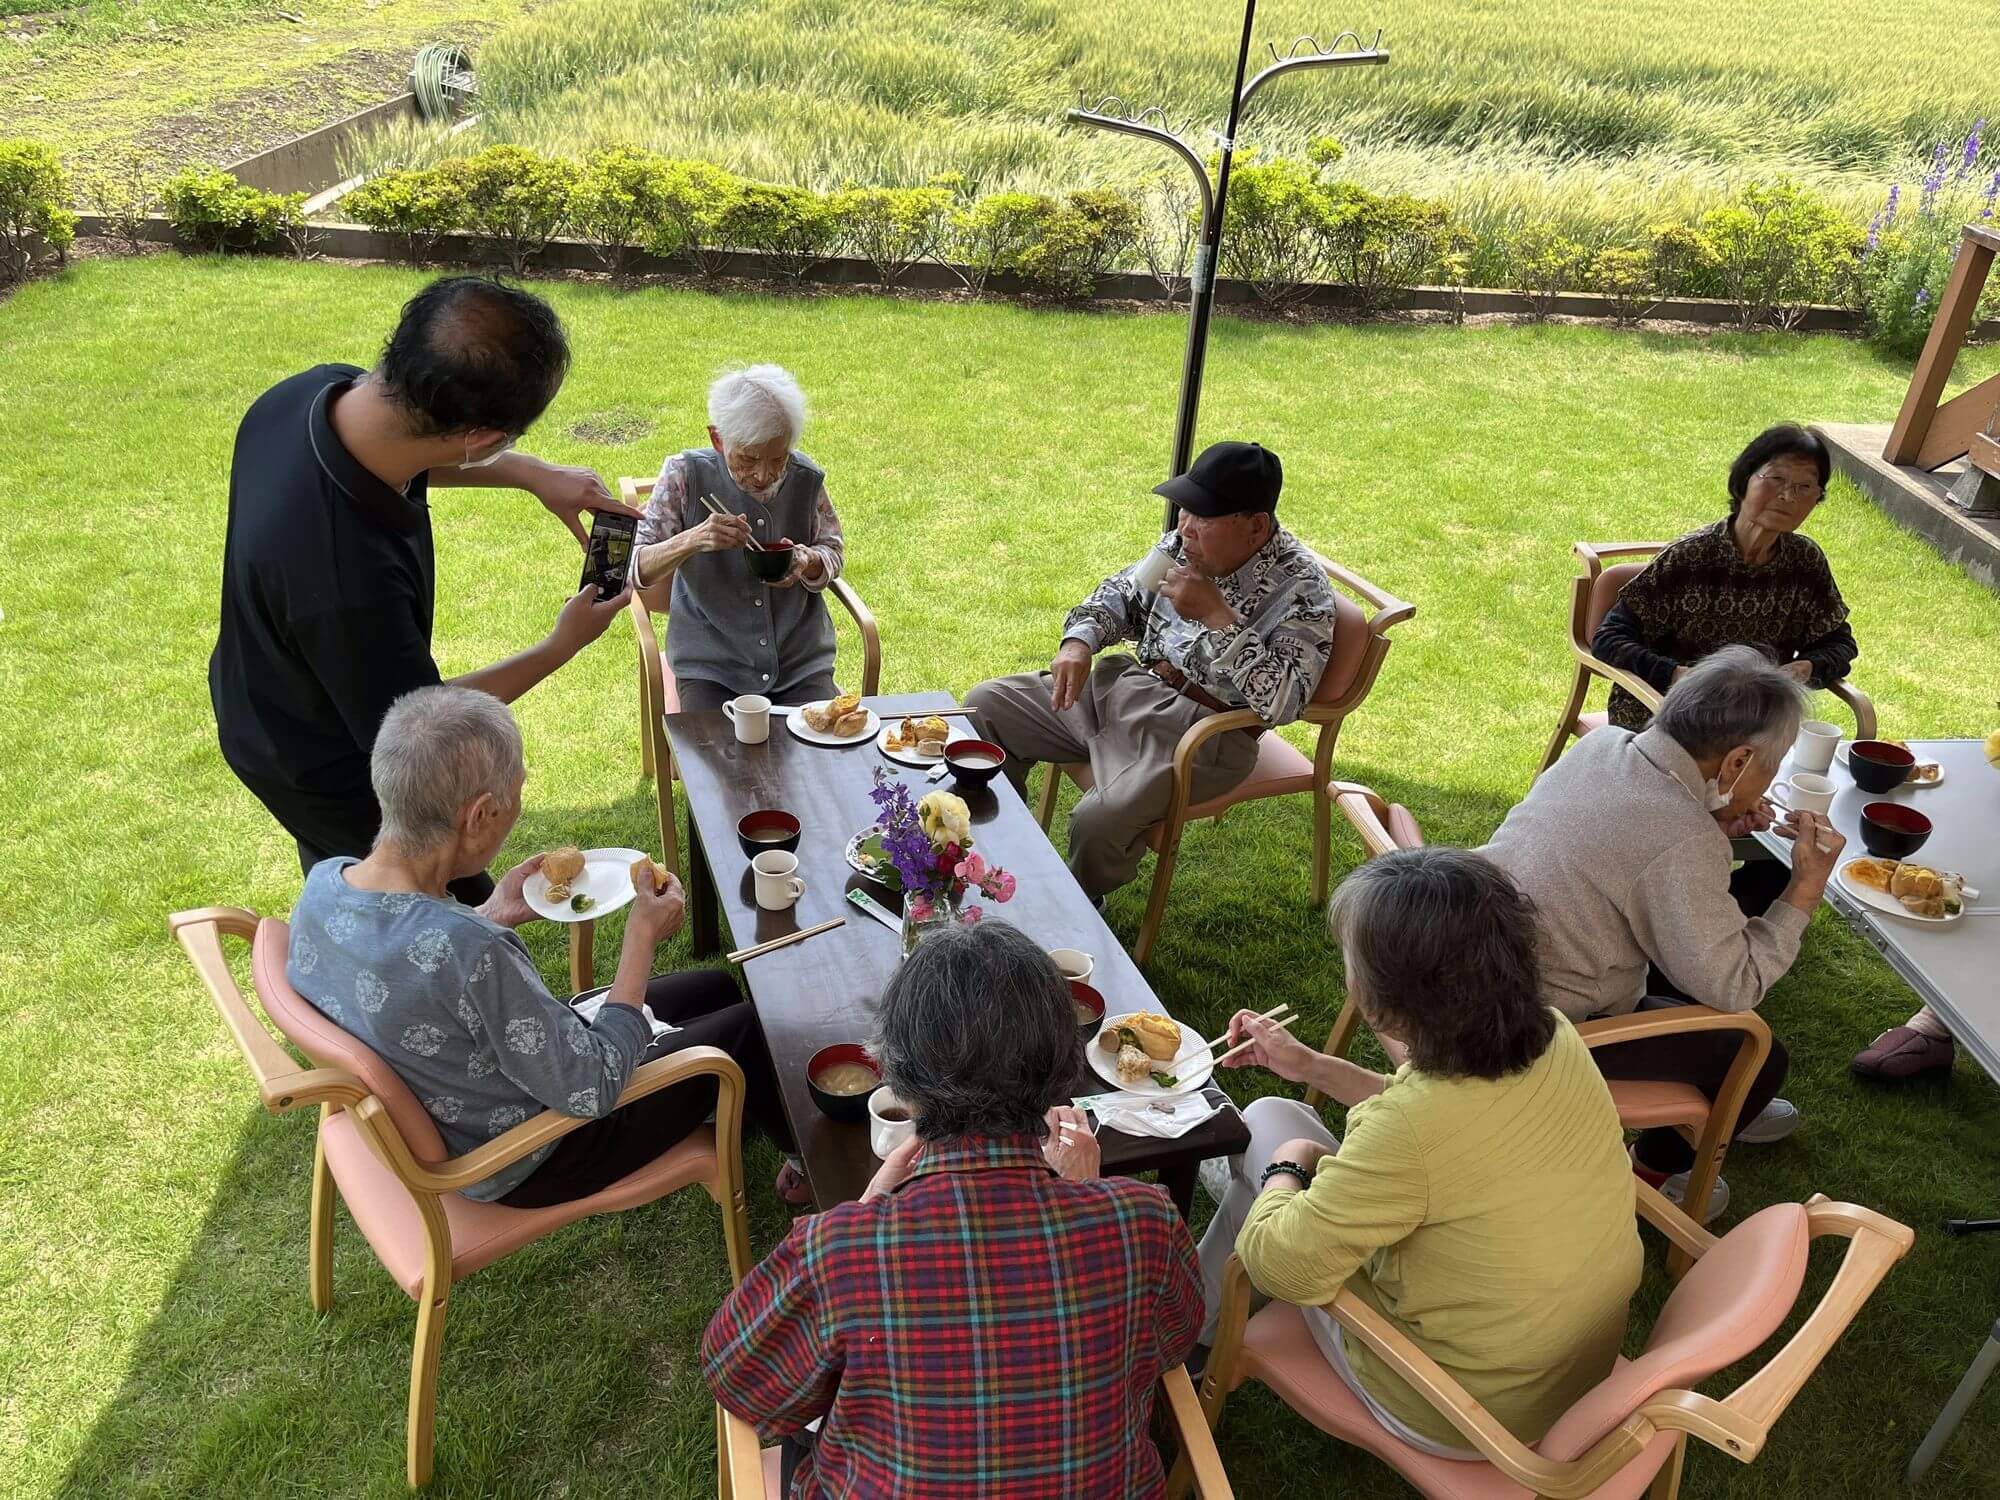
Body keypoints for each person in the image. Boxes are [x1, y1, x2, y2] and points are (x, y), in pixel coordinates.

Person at [702, 920, 1202, 1498]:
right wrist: (1089, 1201)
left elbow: (739, 1377)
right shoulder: (1145, 1222)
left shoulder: (840, 1252)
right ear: (1060, 1071)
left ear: (899, 1080)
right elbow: (1171, 1341)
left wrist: (864, 1210)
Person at [285, 685, 804, 1208]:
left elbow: (413, 966)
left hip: (481, 1090)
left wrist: (493, 912)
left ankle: (725, 1106)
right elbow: (595, 1083)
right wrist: (641, 935)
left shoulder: (325, 885)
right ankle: (807, 1167)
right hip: (535, 1150)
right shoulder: (474, 952)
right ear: (480, 815)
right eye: (517, 793)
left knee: (714, 987)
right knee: (748, 1030)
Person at [1197, 847, 1641, 1457]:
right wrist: (1309, 1066)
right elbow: (1439, 1122)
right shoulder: (1553, 1035)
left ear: (1385, 1003)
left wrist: (1288, 1165)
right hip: (1562, 1370)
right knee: (1281, 1114)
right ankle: (1234, 1210)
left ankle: (1192, 1325)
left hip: (1458, 1408)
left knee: (1275, 1134)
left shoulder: (1410, 1132)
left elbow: (1280, 1266)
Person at [212, 275, 638, 906]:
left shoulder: (310, 395)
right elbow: (420, 721)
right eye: (502, 447)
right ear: (484, 438)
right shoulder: (344, 578)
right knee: (433, 911)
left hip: (268, 679)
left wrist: (533, 474)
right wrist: (561, 645)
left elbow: (412, 448)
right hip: (315, 753)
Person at [1480, 645, 1846, 1218]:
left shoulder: (1603, 745)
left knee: (1702, 1018)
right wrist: (1804, 887)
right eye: (1773, 765)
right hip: (1535, 1033)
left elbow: (1629, 842)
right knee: (1758, 1054)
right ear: (1736, 762)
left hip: (1470, 965)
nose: (1769, 780)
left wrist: (1711, 820)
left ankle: (1711, 1107)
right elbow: (1735, 984)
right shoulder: (1682, 838)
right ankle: (1645, 1174)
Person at [964, 441, 1338, 900]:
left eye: (1204, 516)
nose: (1185, 526)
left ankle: (1079, 906)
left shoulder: (1302, 590)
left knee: (1098, 821)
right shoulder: (1184, 545)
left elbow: (1284, 702)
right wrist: (1080, 640)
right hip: (1127, 687)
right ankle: (991, 855)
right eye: (1185, 510)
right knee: (985, 708)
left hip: (1204, 735)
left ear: (1256, 526)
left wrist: (1219, 619)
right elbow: (1122, 592)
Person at [1592, 423, 1856, 733]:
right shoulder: (1691, 557)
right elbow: (1608, 639)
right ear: (1744, 481)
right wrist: (1677, 675)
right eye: (1776, 479)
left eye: (1805, 487)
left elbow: (1839, 643)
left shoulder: (1805, 561)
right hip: (1666, 712)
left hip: (1753, 722)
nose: (1787, 496)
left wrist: (1807, 667)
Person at [630, 364, 847, 712]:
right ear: (718, 439)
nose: (764, 475)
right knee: (719, 760)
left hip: (801, 665)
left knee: (822, 757)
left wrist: (808, 561)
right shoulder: (683, 476)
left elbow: (833, 549)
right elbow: (632, 564)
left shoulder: (806, 478)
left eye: (779, 458)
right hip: (710, 668)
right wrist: (693, 539)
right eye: (748, 458)